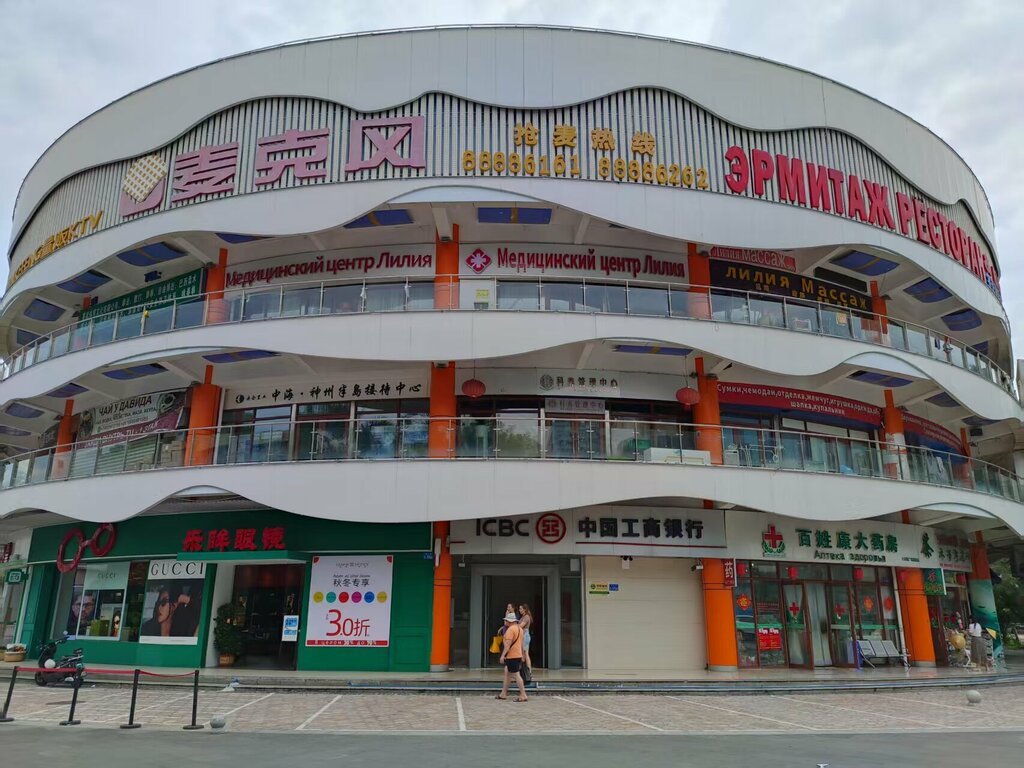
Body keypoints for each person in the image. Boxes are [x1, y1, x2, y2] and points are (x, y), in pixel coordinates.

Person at [496, 612, 527, 702]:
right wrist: (523, 654)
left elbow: (507, 644)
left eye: (506, 620)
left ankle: (523, 694)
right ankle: (503, 693)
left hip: (512, 656)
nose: (505, 621)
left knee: (516, 675)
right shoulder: (519, 629)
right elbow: (521, 643)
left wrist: (502, 655)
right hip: (517, 655)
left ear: (509, 621)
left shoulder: (510, 630)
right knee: (507, 673)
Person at [518, 603, 534, 676]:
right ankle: (524, 670)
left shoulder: (526, 617)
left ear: (525, 609)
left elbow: (521, 626)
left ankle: (528, 670)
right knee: (523, 654)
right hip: (522, 636)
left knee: (525, 654)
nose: (519, 610)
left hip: (525, 636)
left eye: (521, 608)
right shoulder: (523, 617)